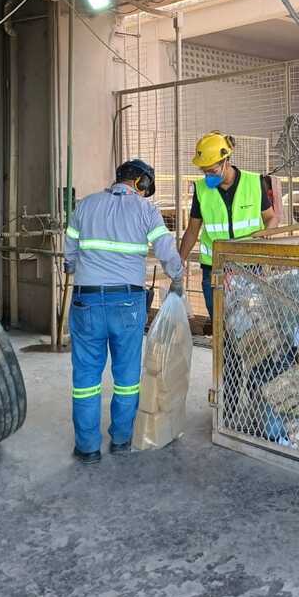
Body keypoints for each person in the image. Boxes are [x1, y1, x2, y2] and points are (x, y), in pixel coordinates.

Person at [63, 159, 185, 464]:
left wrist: (75, 268)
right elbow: (166, 250)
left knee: (86, 378)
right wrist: (179, 279)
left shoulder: (85, 206)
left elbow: (69, 255)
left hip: (86, 302)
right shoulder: (146, 210)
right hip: (127, 305)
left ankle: (88, 447)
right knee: (127, 376)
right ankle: (120, 440)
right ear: (141, 183)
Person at [178, 131, 278, 321]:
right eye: (204, 171)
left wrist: (267, 233)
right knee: (220, 326)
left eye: (212, 171)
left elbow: (271, 217)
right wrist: (180, 259)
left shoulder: (254, 183)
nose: (208, 176)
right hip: (214, 268)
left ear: (226, 161)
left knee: (251, 325)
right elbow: (192, 230)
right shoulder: (202, 190)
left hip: (249, 268)